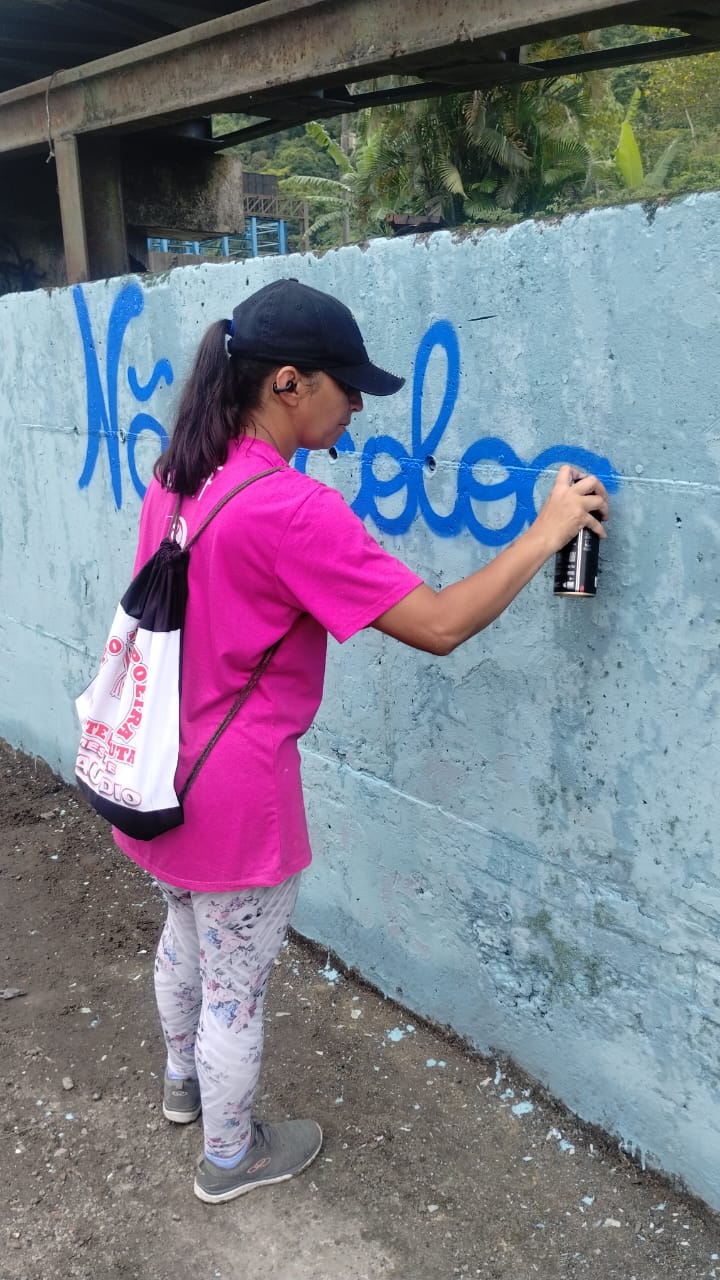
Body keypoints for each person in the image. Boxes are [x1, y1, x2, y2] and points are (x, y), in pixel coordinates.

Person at [113, 277, 609, 1205]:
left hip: (153, 774)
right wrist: (546, 533)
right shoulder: (290, 510)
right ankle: (230, 1156)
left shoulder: (179, 473)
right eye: (350, 388)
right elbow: (440, 624)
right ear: (290, 384)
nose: (360, 410)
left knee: (183, 936)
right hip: (234, 795)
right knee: (235, 988)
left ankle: (184, 1087)